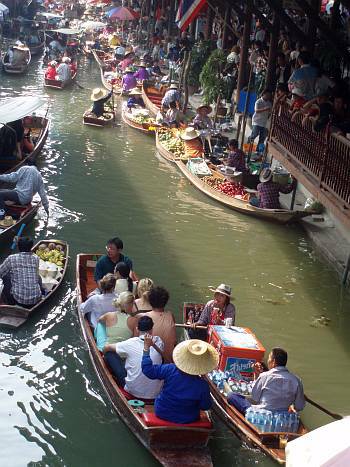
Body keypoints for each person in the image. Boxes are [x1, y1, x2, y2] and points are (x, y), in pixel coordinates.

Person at [141, 338, 218, 423]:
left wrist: (146, 349)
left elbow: (148, 370)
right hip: (188, 418)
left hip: (162, 412)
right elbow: (205, 406)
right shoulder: (202, 385)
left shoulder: (170, 369)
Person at [227, 347, 305, 415]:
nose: (267, 361)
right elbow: (299, 406)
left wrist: (256, 374)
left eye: (269, 358)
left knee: (231, 395)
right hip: (283, 416)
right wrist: (291, 406)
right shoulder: (296, 380)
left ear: (273, 361)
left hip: (261, 415)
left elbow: (255, 398)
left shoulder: (264, 376)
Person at [103, 316, 163, 398]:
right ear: (152, 329)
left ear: (137, 329)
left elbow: (107, 348)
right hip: (155, 394)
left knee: (109, 354)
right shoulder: (159, 341)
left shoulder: (131, 342)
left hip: (133, 392)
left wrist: (103, 354)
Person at [135, 286, 176, 363]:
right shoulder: (170, 315)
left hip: (150, 361)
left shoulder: (141, 317)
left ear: (150, 301)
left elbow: (135, 340)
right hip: (169, 361)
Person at [0, 237, 42, 307]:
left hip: (19, 300)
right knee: (38, 277)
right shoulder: (36, 258)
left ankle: (9, 302)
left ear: (19, 247)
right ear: (31, 247)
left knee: (6, 276)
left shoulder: (11, 258)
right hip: (36, 299)